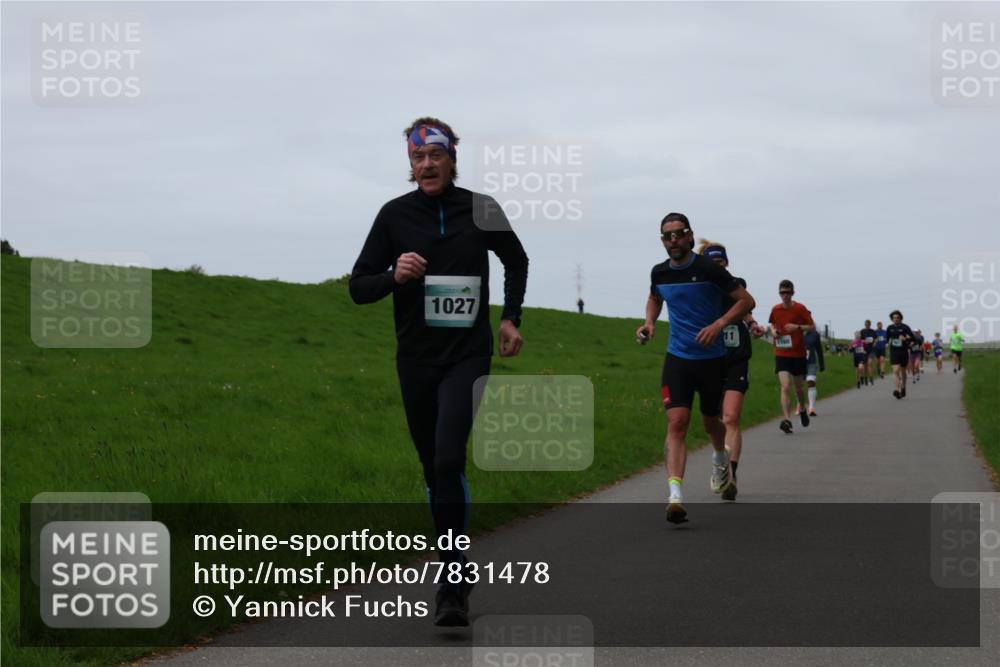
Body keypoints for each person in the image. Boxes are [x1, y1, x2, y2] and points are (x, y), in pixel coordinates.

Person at [349, 117, 529, 626]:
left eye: (435, 154)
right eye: (417, 157)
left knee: (449, 459)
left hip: (467, 355)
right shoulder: (393, 216)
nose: (426, 163)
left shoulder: (481, 209)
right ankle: (456, 563)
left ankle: (452, 581)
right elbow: (358, 285)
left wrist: (510, 318)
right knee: (433, 468)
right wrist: (393, 275)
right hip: (416, 359)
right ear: (410, 164)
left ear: (453, 157)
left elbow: (516, 261)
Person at [637, 214, 755, 524]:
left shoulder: (707, 269)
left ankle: (720, 457)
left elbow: (746, 301)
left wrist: (719, 324)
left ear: (690, 236)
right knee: (677, 422)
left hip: (712, 360)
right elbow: (654, 297)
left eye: (678, 234)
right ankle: (675, 496)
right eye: (667, 236)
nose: (673, 240)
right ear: (662, 241)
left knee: (711, 423)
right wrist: (649, 322)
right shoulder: (659, 273)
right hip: (678, 358)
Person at [696, 239, 766, 502]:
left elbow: (744, 307)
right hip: (708, 359)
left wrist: (752, 324)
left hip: (736, 357)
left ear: (727, 263)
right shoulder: (699, 288)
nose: (719, 265)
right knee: (712, 421)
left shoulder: (737, 284)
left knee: (732, 417)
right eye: (714, 262)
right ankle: (722, 465)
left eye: (722, 261)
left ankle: (730, 476)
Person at [768, 280, 815, 434]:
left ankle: (802, 408)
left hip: (797, 353)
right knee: (785, 386)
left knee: (799, 389)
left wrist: (797, 327)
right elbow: (772, 324)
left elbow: (812, 326)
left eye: (788, 292)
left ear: (793, 293)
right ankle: (787, 420)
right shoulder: (776, 309)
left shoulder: (800, 308)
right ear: (779, 294)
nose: (785, 296)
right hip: (781, 353)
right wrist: (773, 331)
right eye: (782, 293)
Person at [885, 310, 914, 399]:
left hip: (903, 351)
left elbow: (913, 339)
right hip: (894, 351)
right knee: (895, 370)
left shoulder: (905, 327)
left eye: (897, 317)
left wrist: (905, 339)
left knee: (903, 371)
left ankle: (903, 387)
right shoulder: (889, 328)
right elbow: (887, 338)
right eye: (894, 318)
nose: (895, 319)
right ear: (892, 319)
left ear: (900, 318)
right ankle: (898, 390)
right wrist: (887, 343)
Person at [804, 328, 825, 413]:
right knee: (799, 385)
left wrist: (821, 363)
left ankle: (811, 407)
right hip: (798, 362)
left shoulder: (814, 334)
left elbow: (819, 349)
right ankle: (800, 405)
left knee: (811, 381)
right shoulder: (795, 332)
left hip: (811, 362)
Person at [860, 319, 877, 384]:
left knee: (870, 363)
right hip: (864, 350)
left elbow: (876, 338)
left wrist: (875, 342)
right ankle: (865, 378)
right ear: (865, 324)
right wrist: (863, 341)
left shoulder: (873, 331)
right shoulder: (862, 331)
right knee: (865, 365)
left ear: (870, 324)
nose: (867, 325)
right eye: (866, 324)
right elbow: (859, 339)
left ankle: (871, 378)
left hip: (871, 349)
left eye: (868, 324)